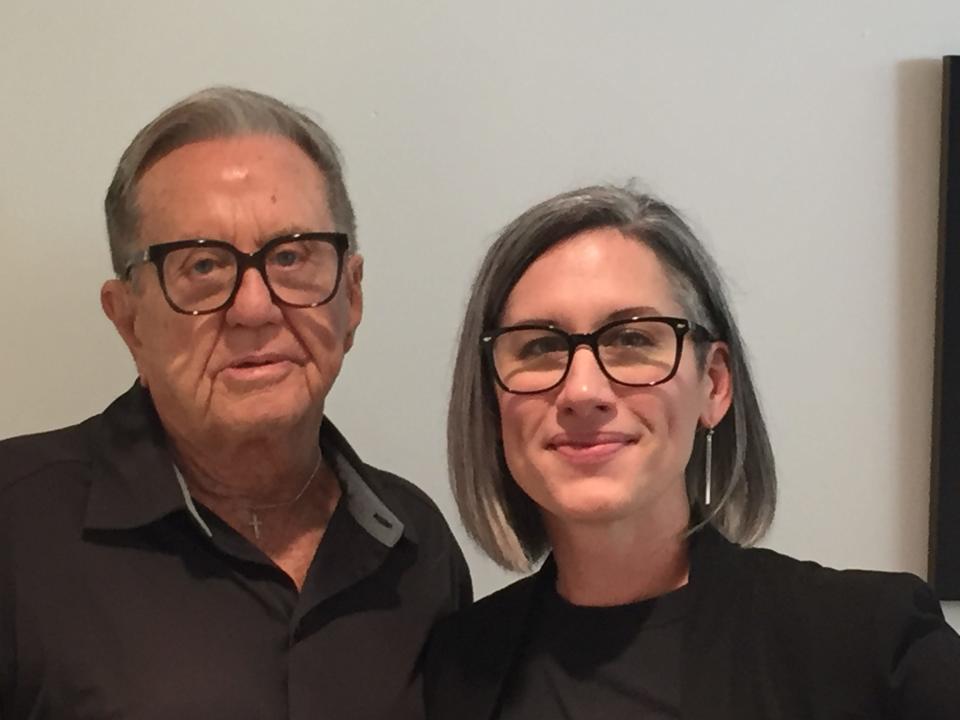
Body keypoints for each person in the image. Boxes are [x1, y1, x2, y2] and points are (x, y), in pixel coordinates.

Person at [0, 87, 470, 720]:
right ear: (129, 320)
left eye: (291, 256)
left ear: (350, 298)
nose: (254, 307)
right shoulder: (16, 529)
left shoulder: (416, 548)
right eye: (201, 266)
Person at [425, 185, 960, 719]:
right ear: (493, 400)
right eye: (540, 346)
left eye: (632, 339)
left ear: (715, 384)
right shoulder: (454, 669)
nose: (583, 392)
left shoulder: (871, 645)